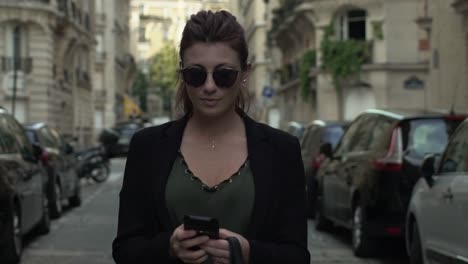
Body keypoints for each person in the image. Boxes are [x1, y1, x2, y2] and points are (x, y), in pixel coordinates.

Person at [112, 10, 310, 264]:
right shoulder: (147, 147)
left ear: (245, 73)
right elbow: (125, 248)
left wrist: (249, 253)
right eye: (195, 74)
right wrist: (169, 248)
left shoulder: (282, 150)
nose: (209, 86)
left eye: (224, 74)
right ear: (182, 74)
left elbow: (297, 255)